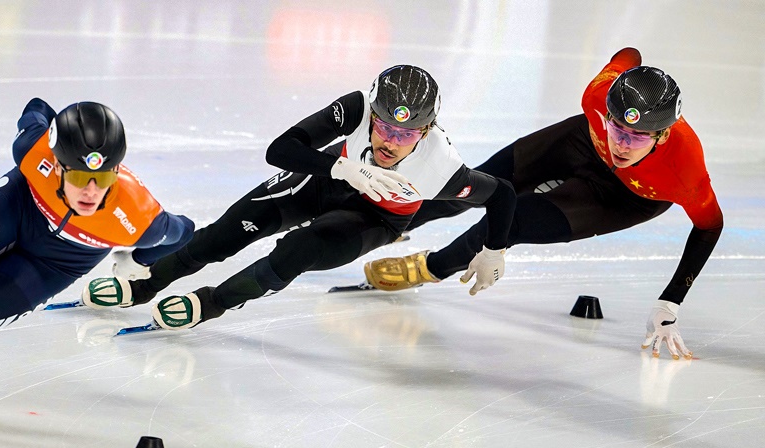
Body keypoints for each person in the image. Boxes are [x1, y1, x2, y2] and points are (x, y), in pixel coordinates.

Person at [81, 65, 517, 329]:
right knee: (230, 230)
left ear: (425, 132)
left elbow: (502, 193)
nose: (389, 140)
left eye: (404, 134)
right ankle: (147, 285)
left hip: (377, 218)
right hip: (334, 178)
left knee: (299, 249)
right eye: (383, 126)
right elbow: (281, 149)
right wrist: (342, 167)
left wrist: (493, 249)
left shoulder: (440, 167)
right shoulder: (359, 106)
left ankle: (210, 302)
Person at [363, 48, 723, 360]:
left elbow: (710, 225)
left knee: (514, 220)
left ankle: (431, 268)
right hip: (582, 142)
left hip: (625, 197)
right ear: (609, 113)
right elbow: (628, 55)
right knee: (482, 183)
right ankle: (394, 221)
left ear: (662, 134)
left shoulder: (684, 168)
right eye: (618, 129)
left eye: (638, 137)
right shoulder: (598, 95)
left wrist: (670, 301)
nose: (623, 145)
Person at [0, 98, 194, 334]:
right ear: (56, 165)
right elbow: (37, 107)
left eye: (103, 179)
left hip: (57, 263)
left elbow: (185, 231)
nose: (91, 192)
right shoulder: (32, 149)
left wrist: (140, 259)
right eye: (79, 178)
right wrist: (61, 135)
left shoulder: (137, 218)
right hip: (15, 207)